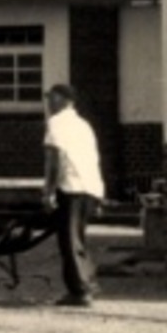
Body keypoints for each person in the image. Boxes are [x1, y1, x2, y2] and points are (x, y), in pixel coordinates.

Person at [42, 83, 103, 307]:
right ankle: (87, 285)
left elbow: (54, 160)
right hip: (89, 187)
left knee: (69, 241)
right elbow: (94, 159)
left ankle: (80, 291)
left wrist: (48, 192)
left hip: (71, 188)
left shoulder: (57, 123)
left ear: (66, 101)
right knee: (78, 239)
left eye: (53, 98)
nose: (48, 103)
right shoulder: (83, 125)